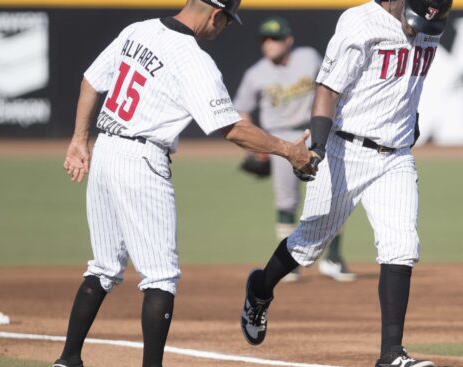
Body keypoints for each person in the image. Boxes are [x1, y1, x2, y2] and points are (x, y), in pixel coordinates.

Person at [53, 1, 316, 366]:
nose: (224, 28)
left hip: (107, 148)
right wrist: (289, 151)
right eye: (226, 21)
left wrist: (79, 139)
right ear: (214, 14)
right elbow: (233, 128)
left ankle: (68, 359)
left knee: (103, 267)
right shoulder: (193, 59)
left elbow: (91, 80)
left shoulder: (138, 29)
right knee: (161, 278)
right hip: (143, 160)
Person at [239, 0, 452, 366]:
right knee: (308, 245)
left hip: (396, 156)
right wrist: (317, 149)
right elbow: (327, 89)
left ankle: (391, 355)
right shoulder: (359, 22)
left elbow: (406, 84)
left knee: (401, 245)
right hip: (344, 149)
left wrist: (408, 118)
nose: (420, 26)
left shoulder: (429, 24)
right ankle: (260, 288)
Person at [234, 16, 355, 283]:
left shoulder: (308, 58)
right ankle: (290, 262)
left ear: (288, 40)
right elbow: (242, 110)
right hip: (280, 139)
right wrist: (258, 146)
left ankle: (333, 259)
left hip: (315, 133)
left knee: (333, 194)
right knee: (286, 201)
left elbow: (331, 87)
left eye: (275, 38)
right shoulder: (256, 74)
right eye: (264, 39)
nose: (269, 44)